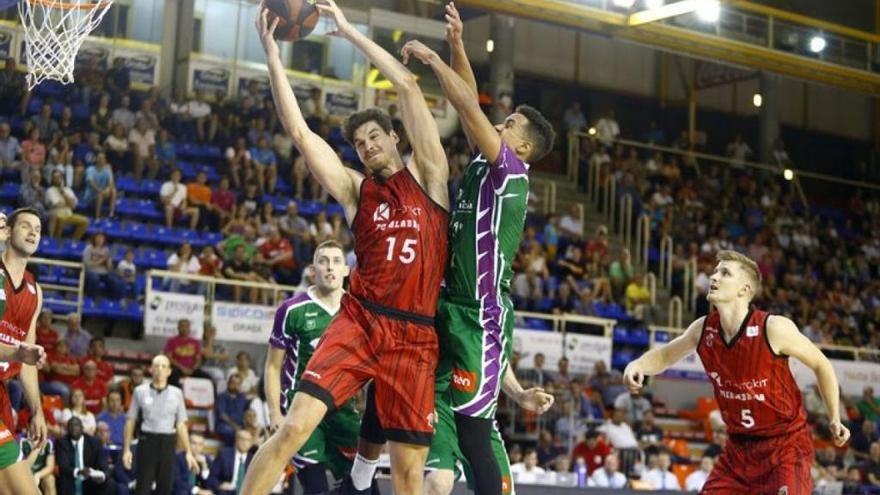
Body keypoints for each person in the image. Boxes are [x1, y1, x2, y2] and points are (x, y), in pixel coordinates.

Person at [245, 2, 451, 493]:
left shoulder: (432, 177)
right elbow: (299, 132)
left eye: (375, 136)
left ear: (395, 137)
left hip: (415, 336)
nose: (368, 146)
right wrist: (272, 53)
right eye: (359, 143)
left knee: (407, 475)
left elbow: (406, 85)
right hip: (360, 320)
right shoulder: (358, 192)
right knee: (293, 428)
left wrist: (348, 30)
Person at [624, 250, 851, 494]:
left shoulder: (773, 328)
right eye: (715, 271)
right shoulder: (703, 329)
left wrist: (834, 417)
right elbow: (665, 355)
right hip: (738, 449)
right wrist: (637, 365)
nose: (714, 276)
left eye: (725, 273)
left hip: (785, 444)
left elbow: (821, 364)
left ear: (744, 290)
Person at [265, 241, 359, 494]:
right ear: (311, 269)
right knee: (315, 488)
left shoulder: (358, 311)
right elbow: (273, 367)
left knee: (363, 487)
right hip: (300, 410)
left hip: (344, 414)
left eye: (337, 261)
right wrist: (275, 413)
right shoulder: (291, 310)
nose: (330, 267)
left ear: (347, 270)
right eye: (323, 261)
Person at [0, 208, 49, 495]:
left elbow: (28, 360)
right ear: (7, 232)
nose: (33, 232)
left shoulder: (35, 291)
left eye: (38, 229)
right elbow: (21, 353)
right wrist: (18, 353)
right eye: (26, 226)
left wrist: (37, 410)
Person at [123, 354, 198, 495]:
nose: (160, 369)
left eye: (164, 366)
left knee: (165, 486)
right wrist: (126, 449)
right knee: (143, 486)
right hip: (147, 441)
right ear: (151, 369)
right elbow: (130, 420)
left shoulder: (177, 393)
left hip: (168, 442)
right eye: (156, 366)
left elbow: (181, 424)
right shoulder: (140, 391)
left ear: (169, 371)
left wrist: (188, 452)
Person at [56, 416, 114, 495]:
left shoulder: (94, 442)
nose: (73, 428)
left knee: (110, 484)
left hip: (90, 480)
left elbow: (104, 466)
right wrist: (78, 472)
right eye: (71, 426)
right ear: (67, 430)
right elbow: (63, 467)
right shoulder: (61, 443)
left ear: (82, 428)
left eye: (76, 425)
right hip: (71, 478)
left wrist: (100, 475)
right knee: (64, 481)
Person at [208, 429, 255, 495]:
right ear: (236, 440)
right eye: (242, 439)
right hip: (227, 492)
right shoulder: (224, 455)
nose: (245, 443)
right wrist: (220, 485)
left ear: (251, 443)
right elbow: (212, 478)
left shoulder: (254, 459)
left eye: (248, 440)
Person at [215, 373, 251, 446]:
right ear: (228, 383)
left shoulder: (242, 397)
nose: (235, 386)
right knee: (230, 432)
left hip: (240, 425)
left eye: (238, 384)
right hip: (225, 425)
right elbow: (222, 415)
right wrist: (234, 426)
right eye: (233, 383)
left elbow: (247, 412)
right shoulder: (222, 396)